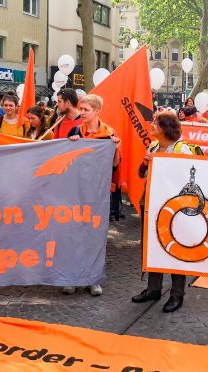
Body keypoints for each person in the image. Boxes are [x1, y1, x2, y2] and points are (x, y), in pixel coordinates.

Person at [132, 111, 194, 313]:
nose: (151, 125)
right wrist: (145, 163)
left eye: (155, 123)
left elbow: (190, 178)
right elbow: (141, 174)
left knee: (175, 248)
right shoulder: (153, 146)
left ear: (166, 128)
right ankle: (153, 289)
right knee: (152, 246)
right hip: (151, 204)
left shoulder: (181, 149)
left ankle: (177, 294)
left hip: (173, 208)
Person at [66, 94, 121, 296]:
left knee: (95, 236)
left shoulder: (109, 134)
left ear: (97, 111)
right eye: (80, 109)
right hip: (77, 191)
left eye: (85, 110)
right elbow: (67, 161)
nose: (81, 113)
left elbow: (115, 165)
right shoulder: (75, 131)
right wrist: (71, 144)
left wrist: (116, 148)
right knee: (74, 234)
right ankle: (73, 277)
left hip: (98, 194)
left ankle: (93, 278)